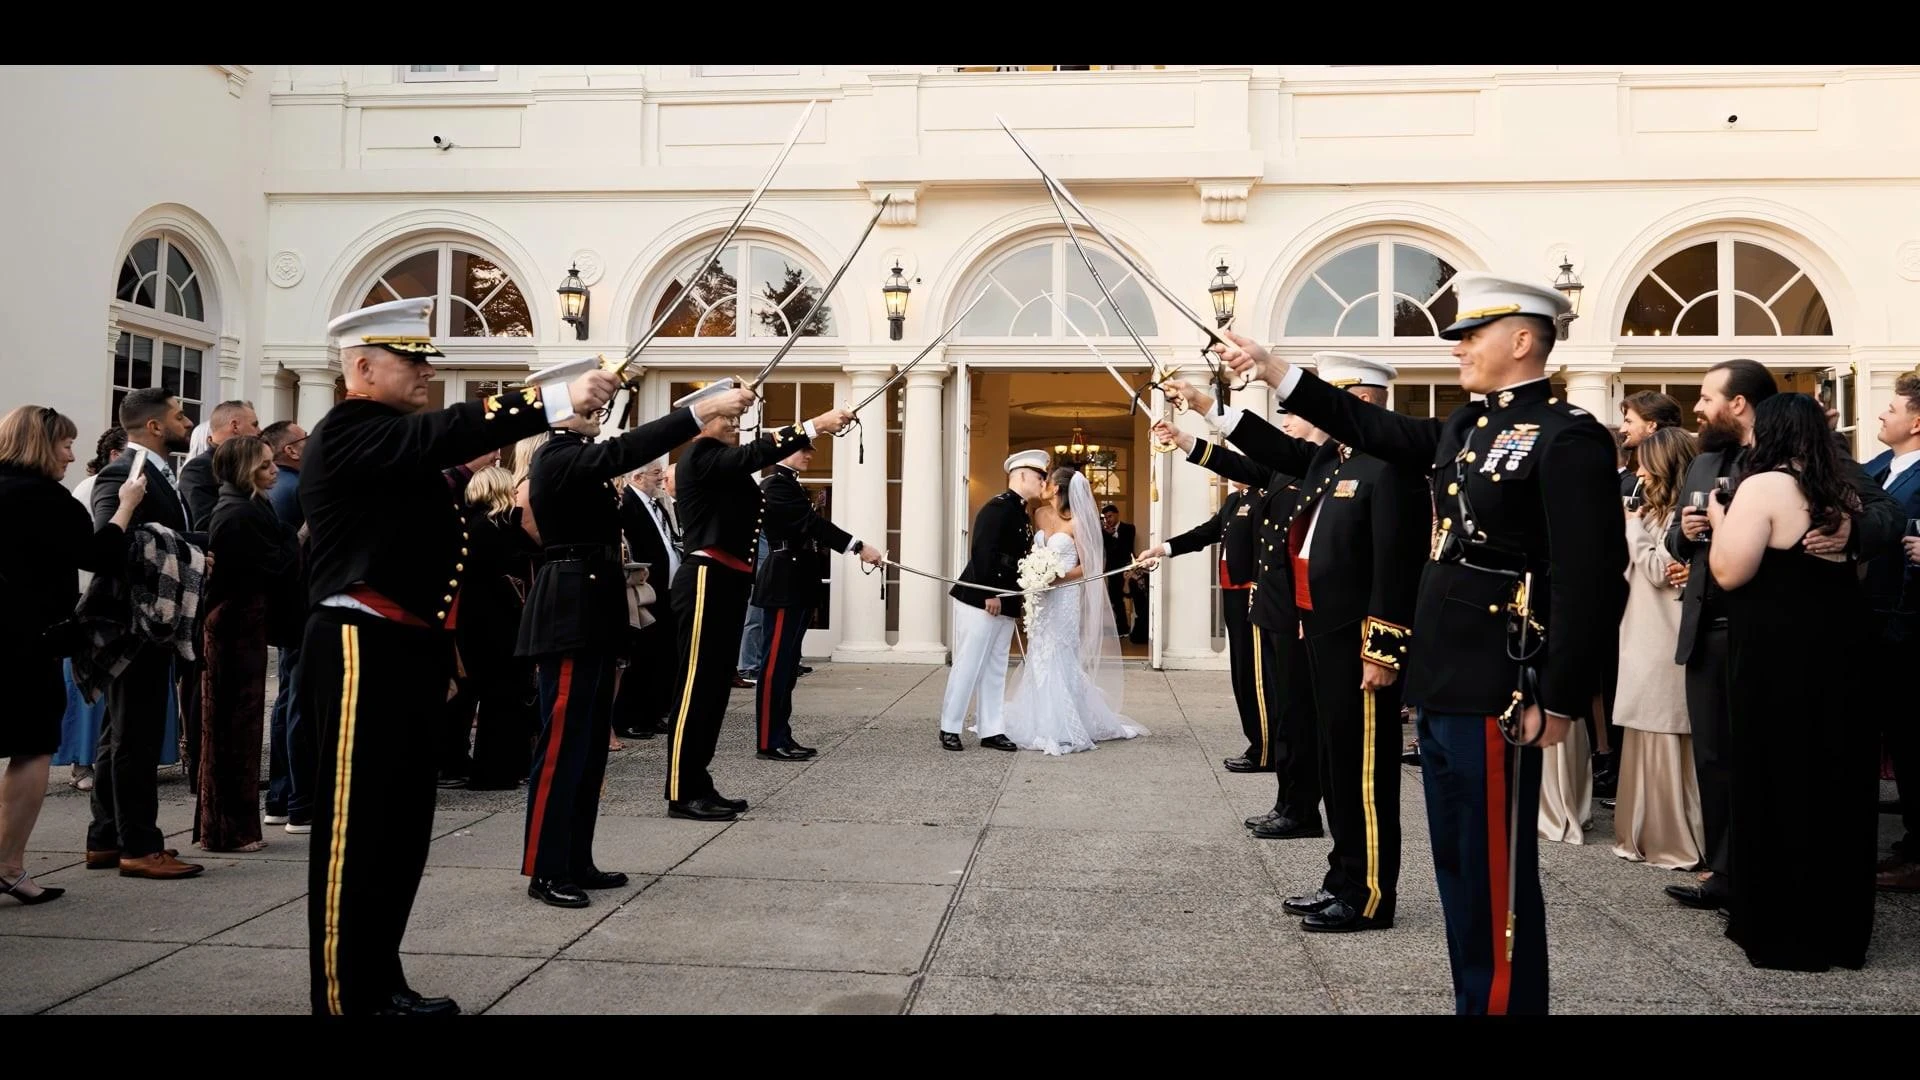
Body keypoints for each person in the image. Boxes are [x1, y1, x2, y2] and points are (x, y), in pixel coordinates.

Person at [1213, 272, 1628, 1015]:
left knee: (1494, 872)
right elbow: (1372, 429)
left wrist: (1558, 695)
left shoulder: (1569, 437)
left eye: (1474, 334)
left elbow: (1591, 579)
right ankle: (1478, 1000)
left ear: (1524, 339)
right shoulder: (1467, 430)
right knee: (1460, 868)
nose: (1461, 347)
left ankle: (1502, 1004)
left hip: (1503, 683)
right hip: (1442, 680)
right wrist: (1276, 370)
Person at [298, 297, 620, 1016]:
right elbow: (450, 429)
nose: (423, 373)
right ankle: (346, 996)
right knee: (357, 829)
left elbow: (435, 464)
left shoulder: (389, 442)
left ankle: (380, 978)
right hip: (359, 640)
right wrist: (557, 396)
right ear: (361, 367)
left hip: (402, 644)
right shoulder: (349, 427)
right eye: (410, 362)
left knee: (402, 827)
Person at [1162, 354, 1428, 934]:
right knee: (1336, 764)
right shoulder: (1332, 461)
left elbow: (1395, 568)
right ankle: (1342, 878)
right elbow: (1271, 453)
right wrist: (1207, 408)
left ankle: (1370, 894)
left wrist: (1383, 651)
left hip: (1360, 644)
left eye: (1327, 399)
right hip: (1323, 634)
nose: (1312, 411)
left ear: (1362, 399)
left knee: (1363, 773)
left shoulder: (1391, 466)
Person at [1663, 358, 1904, 912]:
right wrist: (1688, 533)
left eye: (1706, 397)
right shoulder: (1706, 462)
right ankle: (1726, 873)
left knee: (1781, 760)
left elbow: (1886, 511)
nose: (1698, 409)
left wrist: (1852, 531)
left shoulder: (1818, 456)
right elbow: (1679, 538)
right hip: (1713, 627)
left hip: (1784, 636)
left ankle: (1772, 878)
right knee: (1717, 759)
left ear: (1739, 403)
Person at [516, 379, 752, 906]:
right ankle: (546, 867)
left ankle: (577, 858)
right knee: (562, 747)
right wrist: (697, 415)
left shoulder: (577, 455)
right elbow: (626, 451)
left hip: (594, 610)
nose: (597, 410)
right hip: (570, 613)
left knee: (589, 749)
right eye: (586, 406)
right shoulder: (555, 456)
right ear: (560, 413)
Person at [1706, 392, 1876, 970]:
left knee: (1775, 778)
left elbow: (1731, 570)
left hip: (1777, 654)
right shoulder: (1841, 494)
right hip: (1840, 648)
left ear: (1771, 432)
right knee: (1833, 779)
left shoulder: (1764, 486)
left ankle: (1781, 927)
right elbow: (1859, 567)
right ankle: (1836, 928)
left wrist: (1718, 519)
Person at [666, 390, 852, 820]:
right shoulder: (700, 457)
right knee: (695, 690)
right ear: (701, 421)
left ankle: (699, 781)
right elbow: (754, 454)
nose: (734, 424)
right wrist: (814, 425)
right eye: (726, 418)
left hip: (729, 581)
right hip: (706, 580)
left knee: (713, 693)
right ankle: (681, 789)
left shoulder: (721, 461)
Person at [1152, 412, 1324, 836]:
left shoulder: (1322, 465)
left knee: (1297, 713)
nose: (1285, 424)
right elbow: (1237, 465)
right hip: (1277, 605)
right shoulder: (1283, 469)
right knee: (1286, 708)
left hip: (1302, 610)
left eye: (1296, 416)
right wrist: (1186, 438)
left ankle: (1299, 807)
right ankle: (1291, 804)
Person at [0, 406, 145, 904]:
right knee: (31, 747)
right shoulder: (46, 498)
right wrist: (125, 506)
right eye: (65, 444)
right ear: (43, 445)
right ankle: (9, 865)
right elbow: (97, 555)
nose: (71, 454)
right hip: (27, 641)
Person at [86, 386, 203, 880]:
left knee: (121, 736)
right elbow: (108, 547)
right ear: (154, 426)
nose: (185, 421)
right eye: (179, 415)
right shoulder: (122, 475)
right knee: (134, 735)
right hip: (135, 623)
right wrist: (189, 550)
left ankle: (107, 839)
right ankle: (139, 845)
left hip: (151, 621)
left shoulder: (161, 473)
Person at [197, 434, 302, 853]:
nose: (273, 468)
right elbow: (272, 562)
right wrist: (296, 540)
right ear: (244, 471)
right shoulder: (237, 512)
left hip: (247, 622)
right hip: (233, 625)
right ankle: (227, 828)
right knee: (229, 729)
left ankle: (233, 826)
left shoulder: (252, 506)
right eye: (263, 465)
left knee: (241, 727)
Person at [1609, 427, 1706, 871]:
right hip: (1641, 628)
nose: (1639, 469)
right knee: (1644, 726)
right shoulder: (1653, 510)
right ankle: (1643, 831)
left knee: (1664, 725)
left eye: (1646, 461)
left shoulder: (1676, 515)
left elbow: (1660, 570)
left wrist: (1631, 529)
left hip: (1664, 633)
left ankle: (1674, 836)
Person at [999, 467, 1147, 754]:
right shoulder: (1039, 514)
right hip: (1041, 596)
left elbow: (1093, 566)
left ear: (1057, 488)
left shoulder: (1079, 523)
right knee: (1040, 650)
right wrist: (1034, 574)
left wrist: (1059, 576)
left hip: (1064, 596)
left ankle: (1064, 722)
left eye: (1047, 480)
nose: (1043, 483)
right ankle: (1037, 716)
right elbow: (1030, 553)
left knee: (1060, 652)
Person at [751, 444, 882, 761]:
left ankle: (781, 733)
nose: (810, 455)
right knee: (776, 666)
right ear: (783, 454)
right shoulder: (775, 485)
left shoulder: (789, 484)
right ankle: (769, 740)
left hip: (795, 582)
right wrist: (858, 546)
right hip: (783, 582)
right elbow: (812, 525)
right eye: (802, 451)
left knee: (788, 666)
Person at [1138, 478, 1265, 767]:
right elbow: (1206, 533)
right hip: (1233, 597)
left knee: (1254, 674)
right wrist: (1162, 549)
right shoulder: (1234, 500)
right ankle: (1257, 742)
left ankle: (1265, 747)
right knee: (1242, 671)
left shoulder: (1264, 497)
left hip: (1253, 595)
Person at [940, 451, 1047, 751]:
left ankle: (991, 729)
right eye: (1040, 476)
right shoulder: (998, 507)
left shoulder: (1020, 511)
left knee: (996, 666)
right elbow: (982, 550)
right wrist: (990, 592)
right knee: (969, 664)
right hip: (981, 598)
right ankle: (949, 726)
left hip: (1005, 601)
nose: (1043, 482)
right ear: (1023, 475)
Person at [1861, 372, 1920, 892]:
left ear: (1916, 421)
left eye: (1892, 408)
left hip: (1911, 624)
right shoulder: (1878, 467)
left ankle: (1915, 854)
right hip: (1872, 623)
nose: (1882, 414)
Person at [459, 466, 540, 790]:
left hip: (478, 622)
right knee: (503, 697)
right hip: (499, 622)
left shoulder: (474, 525)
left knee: (491, 697)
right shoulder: (498, 527)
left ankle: (496, 766)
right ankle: (499, 768)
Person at [58, 426, 128, 792]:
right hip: (90, 601)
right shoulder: (93, 488)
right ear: (116, 455)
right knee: (87, 687)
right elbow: (95, 549)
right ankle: (81, 763)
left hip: (99, 600)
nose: (71, 454)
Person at [261, 420, 310, 831]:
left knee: (288, 701)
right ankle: (297, 800)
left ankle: (280, 798)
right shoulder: (296, 490)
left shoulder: (277, 491)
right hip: (304, 607)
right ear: (291, 450)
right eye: (305, 439)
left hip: (289, 608)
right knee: (300, 704)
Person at [614, 459, 680, 739]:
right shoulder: (627, 503)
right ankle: (630, 717)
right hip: (643, 589)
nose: (662, 478)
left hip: (665, 590)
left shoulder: (658, 504)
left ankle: (652, 713)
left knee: (660, 654)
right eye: (656, 473)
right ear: (638, 476)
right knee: (640, 656)